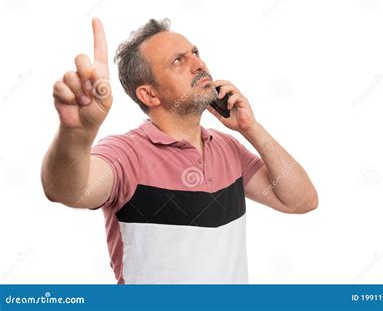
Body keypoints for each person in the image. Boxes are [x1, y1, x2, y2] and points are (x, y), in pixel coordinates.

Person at [41, 18, 318, 284]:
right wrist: (75, 135)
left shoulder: (227, 148)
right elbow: (68, 190)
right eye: (178, 61)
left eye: (195, 53)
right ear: (149, 95)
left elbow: (301, 201)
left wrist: (251, 128)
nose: (199, 64)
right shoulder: (126, 154)